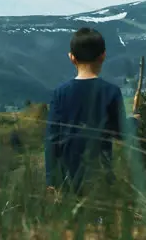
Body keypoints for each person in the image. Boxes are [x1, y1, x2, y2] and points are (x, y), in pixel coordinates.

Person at [44, 27, 128, 197]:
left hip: (67, 177)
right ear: (103, 56)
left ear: (72, 58)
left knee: (72, 222)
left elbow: (52, 139)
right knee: (102, 219)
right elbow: (121, 132)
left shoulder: (59, 93)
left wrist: (51, 179)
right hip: (101, 174)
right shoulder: (111, 92)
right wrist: (135, 121)